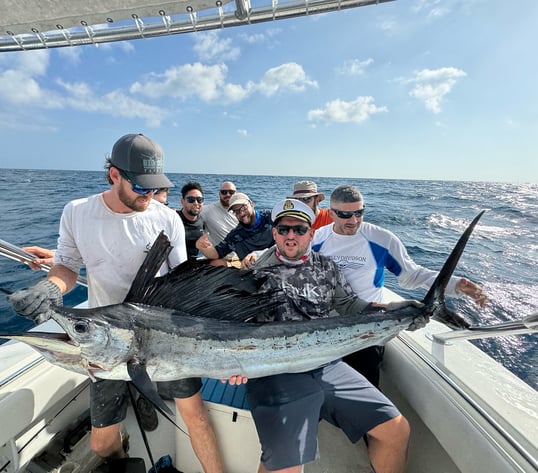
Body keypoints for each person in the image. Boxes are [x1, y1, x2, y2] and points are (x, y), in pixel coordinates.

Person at [8, 133, 226, 473]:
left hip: (163, 336)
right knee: (102, 444)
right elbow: (67, 266)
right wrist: (51, 287)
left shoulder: (166, 217)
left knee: (195, 418)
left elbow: (180, 281)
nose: (150, 196)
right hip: (105, 342)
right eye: (141, 188)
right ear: (114, 176)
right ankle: (130, 435)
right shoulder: (77, 212)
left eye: (155, 188)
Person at [247, 198, 421, 473]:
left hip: (328, 364)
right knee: (285, 466)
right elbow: (239, 325)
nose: (291, 235)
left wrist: (393, 311)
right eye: (283, 229)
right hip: (278, 372)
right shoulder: (255, 274)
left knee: (397, 431)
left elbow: (350, 306)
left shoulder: (327, 267)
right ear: (274, 234)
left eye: (299, 229)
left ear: (311, 233)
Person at [312, 184, 488, 386]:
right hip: (323, 327)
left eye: (359, 213)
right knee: (318, 389)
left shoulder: (382, 239)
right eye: (345, 215)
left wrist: (457, 285)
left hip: (367, 329)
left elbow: (411, 276)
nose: (353, 221)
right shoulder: (316, 239)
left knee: (364, 390)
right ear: (331, 213)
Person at [196, 192, 274, 267]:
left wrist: (257, 255)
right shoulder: (236, 235)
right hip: (256, 271)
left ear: (251, 204)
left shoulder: (272, 217)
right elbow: (217, 253)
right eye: (236, 211)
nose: (241, 213)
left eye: (244, 207)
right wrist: (201, 247)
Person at [201, 181, 239, 246]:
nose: (228, 194)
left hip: (245, 252)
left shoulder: (242, 210)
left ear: (236, 193)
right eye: (224, 192)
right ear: (219, 194)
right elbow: (190, 215)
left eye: (231, 192)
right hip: (221, 255)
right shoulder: (208, 210)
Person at [177, 181, 206, 260]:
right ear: (182, 201)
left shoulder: (201, 220)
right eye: (191, 199)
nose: (196, 203)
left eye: (199, 199)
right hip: (176, 266)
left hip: (193, 265)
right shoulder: (174, 219)